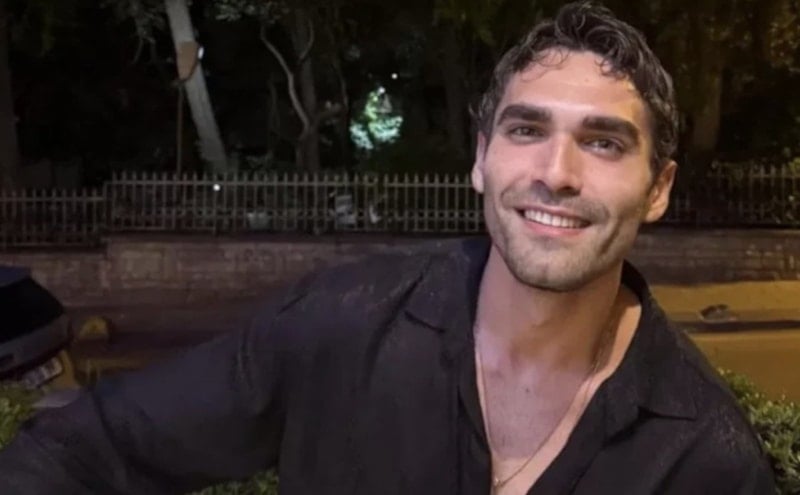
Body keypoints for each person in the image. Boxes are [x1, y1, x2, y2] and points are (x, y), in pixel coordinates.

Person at [0, 2, 775, 494]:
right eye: (526, 129)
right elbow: (78, 450)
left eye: (603, 142)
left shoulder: (706, 459)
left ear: (659, 187)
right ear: (482, 157)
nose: (556, 173)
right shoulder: (340, 325)